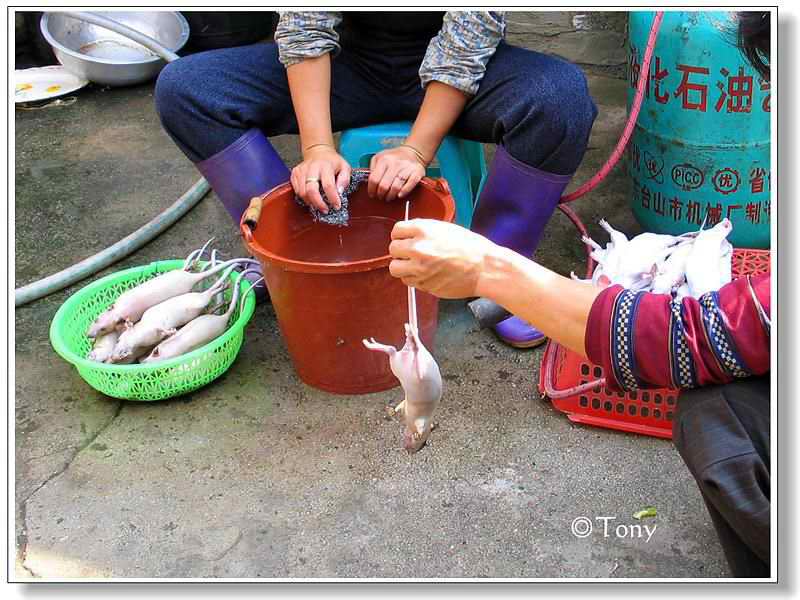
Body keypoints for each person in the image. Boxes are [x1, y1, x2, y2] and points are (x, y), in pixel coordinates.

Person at [384, 11, 772, 578]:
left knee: (717, 416)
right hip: (361, 75)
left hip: (457, 87)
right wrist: (317, 146)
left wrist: (489, 268)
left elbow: (689, 339)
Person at [154, 11, 597, 348]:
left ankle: (501, 276)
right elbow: (306, 24)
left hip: (465, 72)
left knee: (560, 99)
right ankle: (293, 248)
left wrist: (417, 149)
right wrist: (317, 149)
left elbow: (469, 35)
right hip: (349, 65)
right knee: (188, 89)